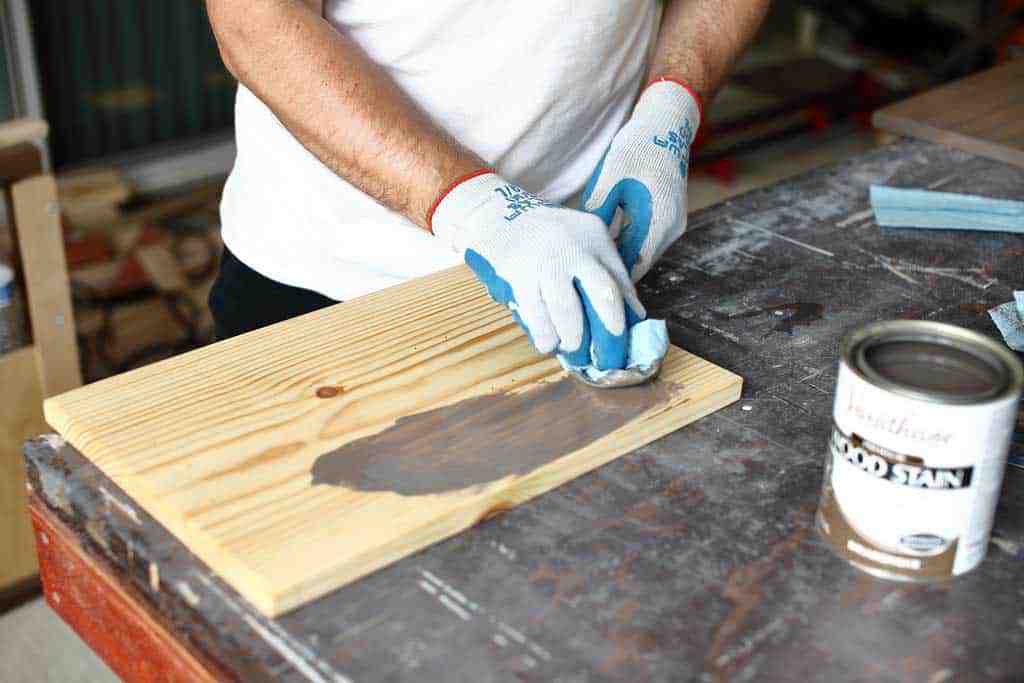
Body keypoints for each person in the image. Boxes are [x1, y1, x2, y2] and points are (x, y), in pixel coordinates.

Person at [205, 0, 769, 369]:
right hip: (333, 283)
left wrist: (671, 109)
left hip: (588, 260)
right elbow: (257, 22)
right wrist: (474, 208)